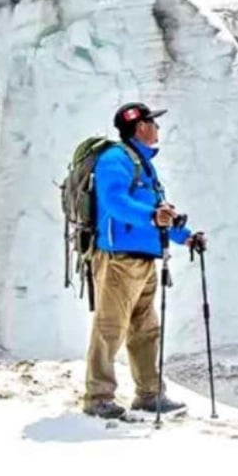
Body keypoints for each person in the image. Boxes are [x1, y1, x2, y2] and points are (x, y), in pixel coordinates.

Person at [82, 102, 207, 419]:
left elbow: (160, 215)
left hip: (143, 260)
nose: (157, 128)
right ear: (140, 126)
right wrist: (152, 216)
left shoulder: (142, 164)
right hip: (119, 260)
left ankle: (149, 395)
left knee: (146, 329)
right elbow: (114, 202)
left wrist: (186, 237)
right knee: (110, 328)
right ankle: (98, 398)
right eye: (154, 122)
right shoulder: (115, 159)